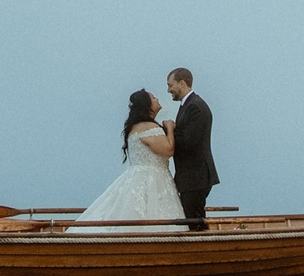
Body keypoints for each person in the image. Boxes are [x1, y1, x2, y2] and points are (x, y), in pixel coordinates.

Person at [73, 88, 186, 229]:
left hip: (140, 176)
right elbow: (168, 150)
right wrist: (170, 128)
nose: (157, 99)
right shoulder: (148, 127)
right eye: (153, 97)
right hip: (153, 179)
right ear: (147, 104)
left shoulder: (136, 127)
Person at [165, 67, 218, 232]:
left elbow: (189, 141)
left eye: (170, 85)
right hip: (191, 177)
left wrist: (169, 131)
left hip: (195, 177)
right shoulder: (187, 105)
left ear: (182, 83)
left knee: (194, 223)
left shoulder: (195, 106)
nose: (168, 90)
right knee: (192, 220)